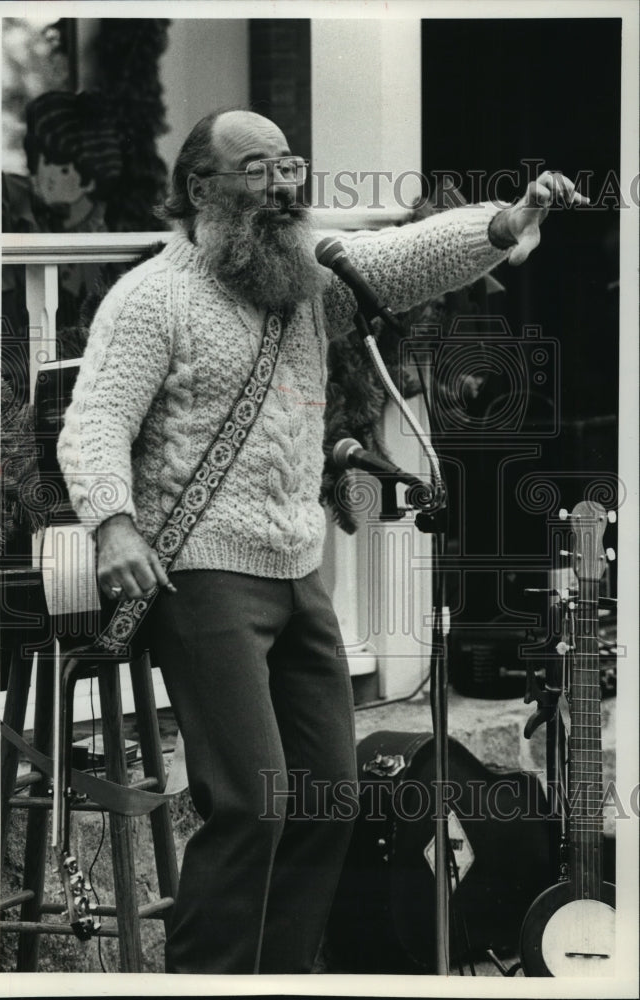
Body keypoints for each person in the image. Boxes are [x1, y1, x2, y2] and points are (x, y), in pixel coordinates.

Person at [57, 109, 588, 974]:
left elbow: (404, 259)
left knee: (331, 797)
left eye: (290, 167)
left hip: (298, 567)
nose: (284, 187)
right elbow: (95, 420)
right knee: (252, 807)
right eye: (259, 170)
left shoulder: (305, 277)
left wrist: (504, 222)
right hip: (200, 575)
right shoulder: (149, 297)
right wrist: (113, 521)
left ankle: (283, 977)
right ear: (201, 190)